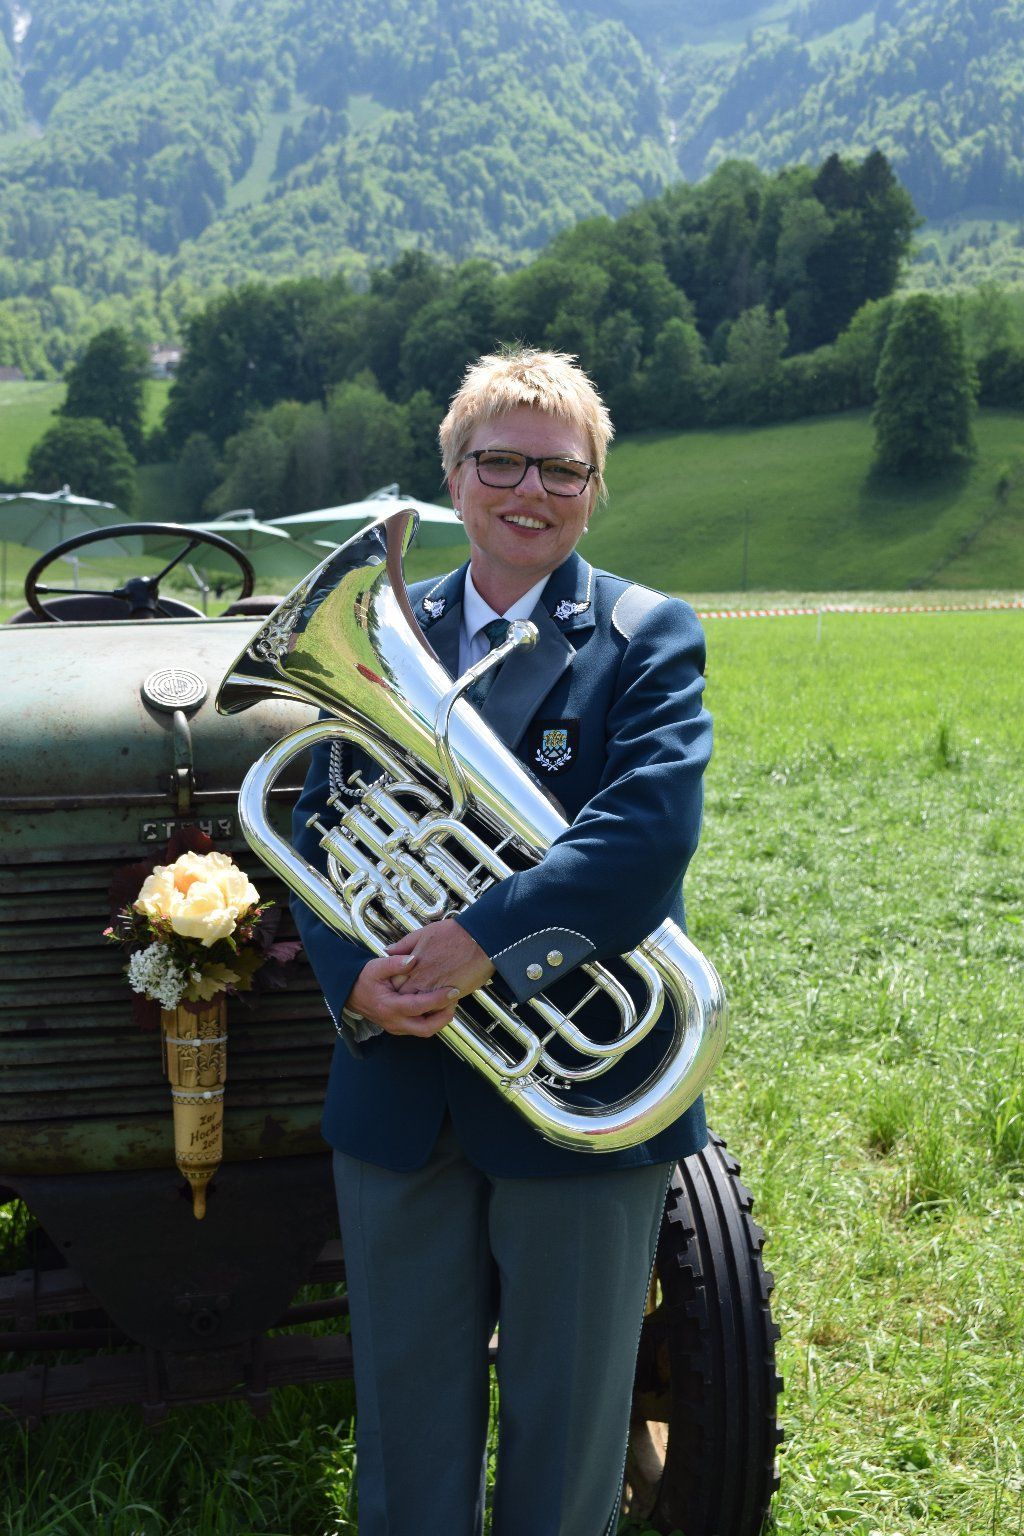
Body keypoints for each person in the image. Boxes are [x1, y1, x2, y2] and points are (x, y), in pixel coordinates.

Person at [290, 348, 712, 1536]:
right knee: (405, 1439)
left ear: (595, 487)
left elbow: (644, 835)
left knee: (568, 1439)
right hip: (401, 1085)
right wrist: (356, 985)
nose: (530, 491)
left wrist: (481, 939)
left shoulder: (645, 635)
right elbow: (317, 828)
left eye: (561, 471)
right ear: (452, 476)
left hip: (574, 1079)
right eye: (501, 463)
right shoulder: (379, 627)